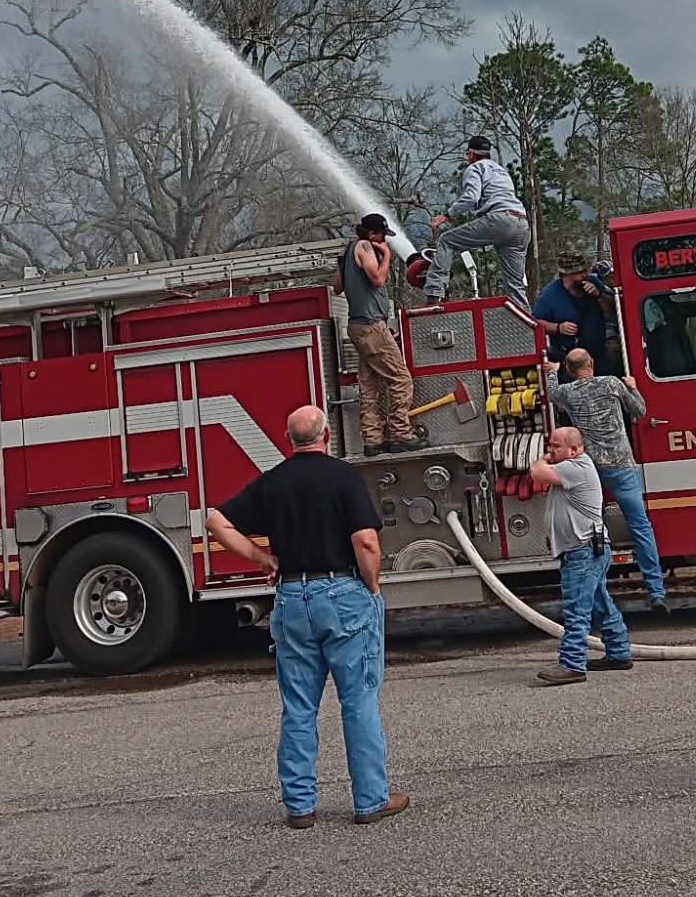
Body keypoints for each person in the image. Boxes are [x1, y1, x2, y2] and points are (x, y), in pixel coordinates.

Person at [205, 406, 411, 828]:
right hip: (343, 593)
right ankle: (370, 799)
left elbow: (216, 520)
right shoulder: (343, 477)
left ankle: (300, 806)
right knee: (358, 700)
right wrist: (371, 585)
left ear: (288, 438)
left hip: (291, 599)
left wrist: (261, 557)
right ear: (327, 435)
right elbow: (366, 540)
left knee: (298, 706)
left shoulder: (274, 482)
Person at [544, 347, 668, 611]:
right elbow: (640, 412)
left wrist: (552, 374)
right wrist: (633, 387)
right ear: (592, 363)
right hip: (623, 465)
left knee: (592, 533)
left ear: (569, 369)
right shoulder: (612, 383)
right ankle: (656, 590)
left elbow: (551, 394)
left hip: (589, 471)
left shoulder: (568, 392)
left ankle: (597, 591)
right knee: (640, 526)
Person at [529, 425, 634, 685]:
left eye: (556, 446)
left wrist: (542, 458)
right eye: (549, 445)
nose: (551, 450)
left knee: (577, 608)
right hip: (584, 549)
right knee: (600, 603)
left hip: (583, 551)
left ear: (575, 449)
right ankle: (619, 652)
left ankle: (572, 663)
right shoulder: (570, 468)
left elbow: (536, 473)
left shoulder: (576, 466)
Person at [335, 213, 417, 457]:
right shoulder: (364, 247)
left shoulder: (347, 251)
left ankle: (373, 440)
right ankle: (401, 434)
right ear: (372, 234)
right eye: (382, 235)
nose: (384, 240)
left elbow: (337, 287)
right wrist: (388, 256)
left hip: (357, 327)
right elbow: (378, 279)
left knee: (369, 385)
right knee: (401, 379)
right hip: (371, 326)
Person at [421, 134, 530, 307]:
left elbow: (471, 198)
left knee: (447, 241)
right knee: (515, 284)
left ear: (472, 153)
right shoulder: (501, 171)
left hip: (499, 220)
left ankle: (434, 294)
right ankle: (527, 325)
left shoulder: (474, 168)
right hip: (521, 224)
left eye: (467, 154)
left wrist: (446, 215)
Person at [532, 250, 622, 376]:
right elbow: (536, 324)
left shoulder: (594, 282)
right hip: (569, 361)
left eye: (585, 270)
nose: (584, 275)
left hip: (599, 355)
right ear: (565, 274)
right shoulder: (549, 295)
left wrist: (598, 295)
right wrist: (558, 328)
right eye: (579, 273)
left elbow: (614, 309)